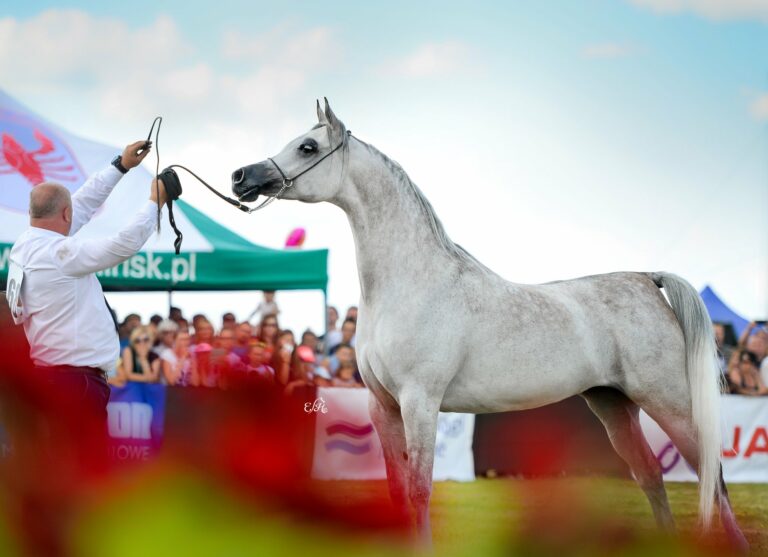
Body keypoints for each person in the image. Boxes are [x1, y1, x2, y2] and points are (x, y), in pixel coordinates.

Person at [8, 139, 163, 426]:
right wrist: (155, 203)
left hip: (54, 378)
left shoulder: (24, 246)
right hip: (76, 383)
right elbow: (123, 245)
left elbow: (80, 204)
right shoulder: (60, 254)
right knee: (77, 466)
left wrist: (121, 166)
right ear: (65, 214)